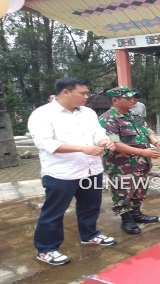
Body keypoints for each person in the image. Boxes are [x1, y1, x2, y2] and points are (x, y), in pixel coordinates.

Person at [27, 77, 117, 266]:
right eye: (82, 93)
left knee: (90, 206)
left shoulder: (88, 113)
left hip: (91, 169)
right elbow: (44, 142)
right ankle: (46, 249)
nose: (87, 96)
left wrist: (103, 141)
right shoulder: (42, 114)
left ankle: (89, 234)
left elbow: (97, 133)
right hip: (62, 173)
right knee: (54, 212)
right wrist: (81, 148)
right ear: (66, 92)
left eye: (87, 92)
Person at [99, 86, 160, 234]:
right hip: (121, 166)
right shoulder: (108, 118)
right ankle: (126, 220)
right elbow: (116, 145)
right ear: (115, 100)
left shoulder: (134, 115)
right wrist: (142, 152)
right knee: (123, 193)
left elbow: (147, 130)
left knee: (139, 190)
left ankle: (136, 214)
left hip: (142, 163)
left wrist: (157, 143)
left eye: (133, 98)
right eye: (128, 98)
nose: (133, 100)